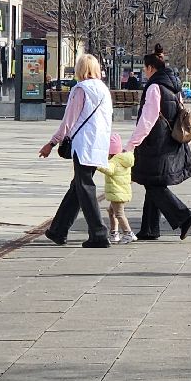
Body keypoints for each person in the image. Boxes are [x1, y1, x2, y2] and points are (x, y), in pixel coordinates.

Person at [38, 53, 114, 248]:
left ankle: (99, 233)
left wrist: (52, 143)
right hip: (99, 145)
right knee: (77, 187)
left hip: (83, 145)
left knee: (85, 187)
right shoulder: (104, 90)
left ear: (80, 69)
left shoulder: (81, 89)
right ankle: (58, 230)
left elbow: (68, 121)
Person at [126, 48, 191, 240]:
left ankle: (183, 216)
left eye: (145, 69)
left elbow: (148, 120)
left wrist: (132, 143)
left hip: (155, 143)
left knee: (153, 184)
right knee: (153, 181)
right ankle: (150, 229)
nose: (144, 72)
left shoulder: (154, 87)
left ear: (150, 68)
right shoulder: (174, 86)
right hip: (170, 142)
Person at [100, 132, 137, 243]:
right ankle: (114, 233)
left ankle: (128, 233)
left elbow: (109, 170)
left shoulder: (114, 162)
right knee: (111, 211)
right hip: (122, 192)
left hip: (117, 193)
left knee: (119, 214)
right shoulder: (123, 159)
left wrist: (97, 164)